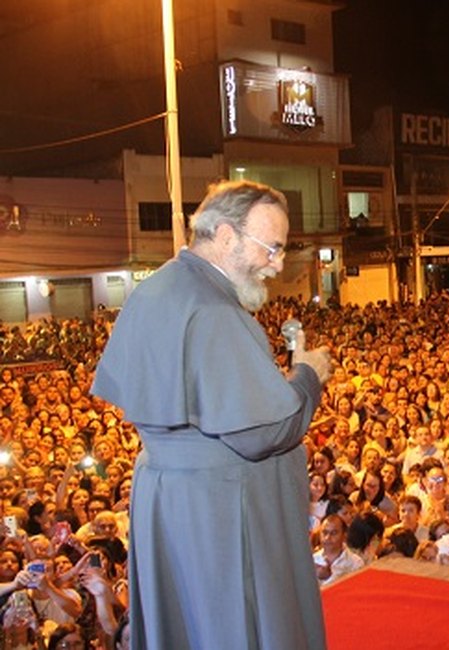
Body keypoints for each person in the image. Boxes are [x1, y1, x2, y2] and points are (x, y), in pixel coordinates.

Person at [92, 181, 332, 649]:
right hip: (220, 505)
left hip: (168, 497)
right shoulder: (214, 309)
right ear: (225, 236)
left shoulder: (155, 288)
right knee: (233, 626)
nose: (278, 265)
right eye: (272, 248)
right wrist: (308, 376)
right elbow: (265, 430)